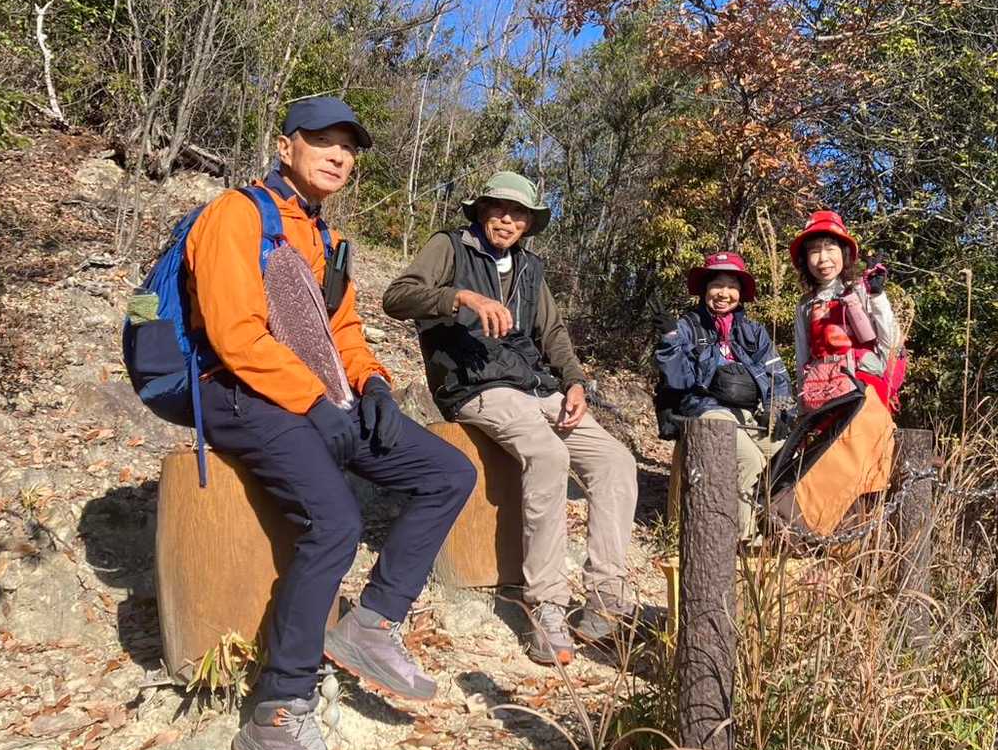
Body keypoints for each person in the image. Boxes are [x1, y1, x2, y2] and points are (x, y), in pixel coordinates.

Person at [185, 95, 475, 750]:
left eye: (348, 147)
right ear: (286, 145)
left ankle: (373, 622)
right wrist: (313, 399)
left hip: (314, 391)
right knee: (335, 521)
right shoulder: (235, 216)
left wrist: (372, 385)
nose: (338, 156)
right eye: (322, 141)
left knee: (446, 470)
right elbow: (234, 333)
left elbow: (342, 331)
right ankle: (278, 712)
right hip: (235, 390)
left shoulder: (324, 237)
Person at [381, 171, 639, 667]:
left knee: (614, 461)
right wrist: (459, 297)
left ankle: (605, 600)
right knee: (548, 454)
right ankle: (546, 606)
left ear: (528, 224)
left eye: (518, 213)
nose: (507, 220)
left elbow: (552, 332)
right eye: (498, 209)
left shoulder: (529, 268)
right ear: (481, 211)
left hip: (534, 385)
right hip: (473, 386)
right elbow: (397, 296)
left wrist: (575, 381)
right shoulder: (449, 247)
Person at [653, 251, 793, 540]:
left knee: (785, 454)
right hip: (704, 407)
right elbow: (679, 379)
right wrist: (670, 341)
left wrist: (778, 411)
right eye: (717, 284)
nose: (724, 293)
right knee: (749, 460)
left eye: (732, 286)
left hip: (750, 411)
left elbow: (777, 375)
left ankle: (779, 531)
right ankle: (745, 541)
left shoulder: (753, 331)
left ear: (741, 293)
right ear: (704, 289)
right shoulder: (688, 327)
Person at [789, 210, 901, 411]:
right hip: (821, 389)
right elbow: (802, 356)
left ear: (844, 252)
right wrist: (802, 409)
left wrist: (877, 296)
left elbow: (890, 340)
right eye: (814, 251)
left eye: (830, 248)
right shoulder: (806, 304)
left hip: (863, 383)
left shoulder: (862, 289)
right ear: (805, 259)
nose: (823, 258)